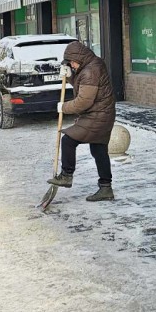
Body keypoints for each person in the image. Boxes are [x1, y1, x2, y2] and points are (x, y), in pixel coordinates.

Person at [47, 42, 116, 202]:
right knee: (99, 150)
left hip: (98, 115)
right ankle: (106, 188)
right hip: (101, 113)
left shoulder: (91, 70)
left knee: (68, 140)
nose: (71, 65)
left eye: (71, 62)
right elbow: (83, 83)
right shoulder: (91, 65)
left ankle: (66, 175)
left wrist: (63, 107)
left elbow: (84, 101)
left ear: (78, 58)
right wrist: (70, 75)